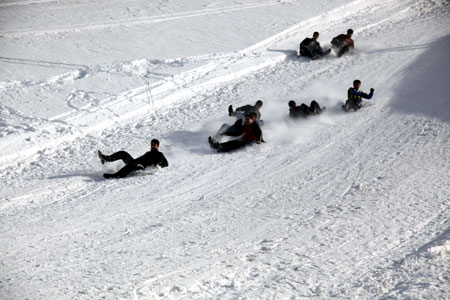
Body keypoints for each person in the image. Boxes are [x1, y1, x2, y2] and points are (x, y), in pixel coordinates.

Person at [97, 139, 168, 179]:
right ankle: (106, 159)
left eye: (154, 145)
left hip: (141, 167)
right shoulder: (148, 153)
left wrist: (155, 165)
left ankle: (116, 176)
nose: (152, 146)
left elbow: (165, 164)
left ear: (157, 146)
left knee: (132, 164)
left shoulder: (159, 154)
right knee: (123, 153)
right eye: (151, 144)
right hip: (135, 163)